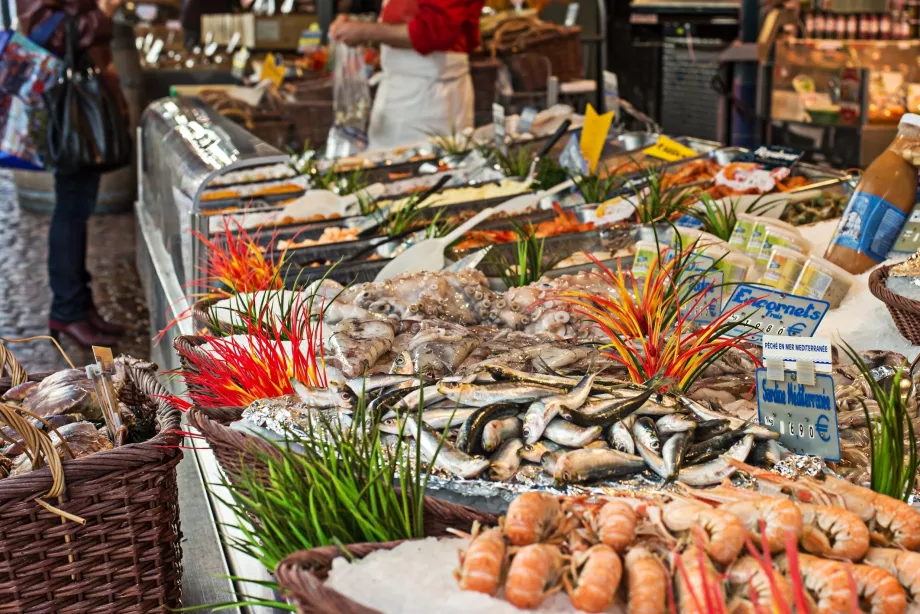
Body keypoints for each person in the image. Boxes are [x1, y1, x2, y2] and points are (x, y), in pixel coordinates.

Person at [17, 0, 127, 347]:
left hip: (78, 93)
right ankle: (67, 312)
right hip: (68, 103)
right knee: (70, 210)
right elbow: (43, 30)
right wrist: (103, 13)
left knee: (78, 208)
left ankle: (79, 304)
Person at [329, 0, 484, 151]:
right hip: (406, 88)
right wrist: (357, 27)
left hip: (428, 94)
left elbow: (434, 31)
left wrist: (364, 31)